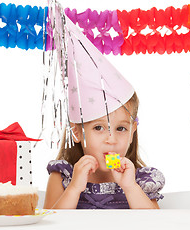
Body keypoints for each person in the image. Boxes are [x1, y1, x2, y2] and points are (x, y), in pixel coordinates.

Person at [43, 15, 164, 209]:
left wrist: (130, 187)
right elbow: (50, 228)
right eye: (99, 127)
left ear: (133, 130)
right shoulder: (62, 177)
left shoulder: (140, 180)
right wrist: (74, 188)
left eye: (121, 129)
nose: (111, 139)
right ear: (77, 132)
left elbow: (154, 228)